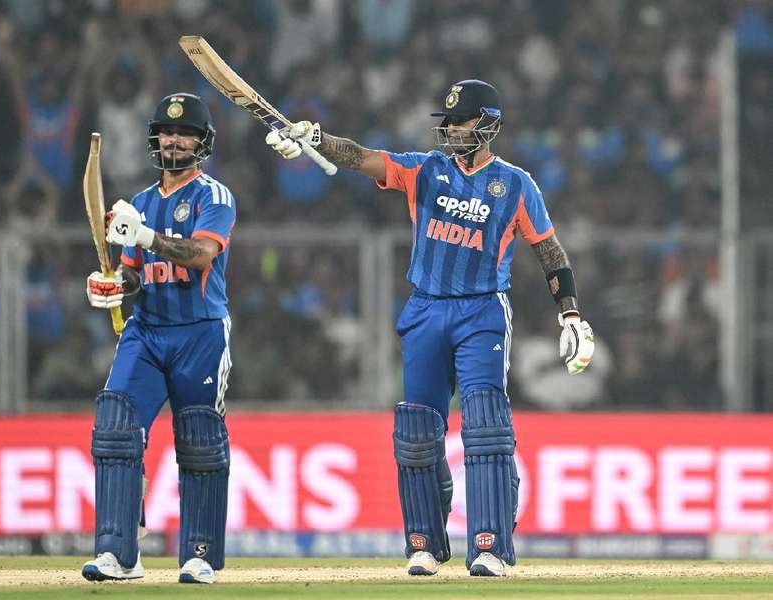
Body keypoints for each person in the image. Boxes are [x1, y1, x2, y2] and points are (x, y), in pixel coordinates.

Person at [266, 79, 595, 577]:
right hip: (425, 309)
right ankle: (424, 543)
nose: (450, 130)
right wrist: (315, 138)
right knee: (417, 431)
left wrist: (569, 311)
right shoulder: (424, 170)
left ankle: (490, 546)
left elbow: (549, 251)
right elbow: (359, 157)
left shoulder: (516, 184)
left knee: (485, 426)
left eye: (461, 121)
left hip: (482, 311)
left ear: (488, 124)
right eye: (447, 122)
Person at [83, 93, 235, 585]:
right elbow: (133, 275)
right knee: (115, 427)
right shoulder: (141, 203)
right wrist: (112, 286)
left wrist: (144, 236)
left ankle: (200, 555)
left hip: (200, 333)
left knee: (199, 444)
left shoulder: (215, 196)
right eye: (167, 132)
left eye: (185, 132)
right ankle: (119, 553)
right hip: (146, 332)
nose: (174, 139)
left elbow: (198, 256)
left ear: (202, 142)